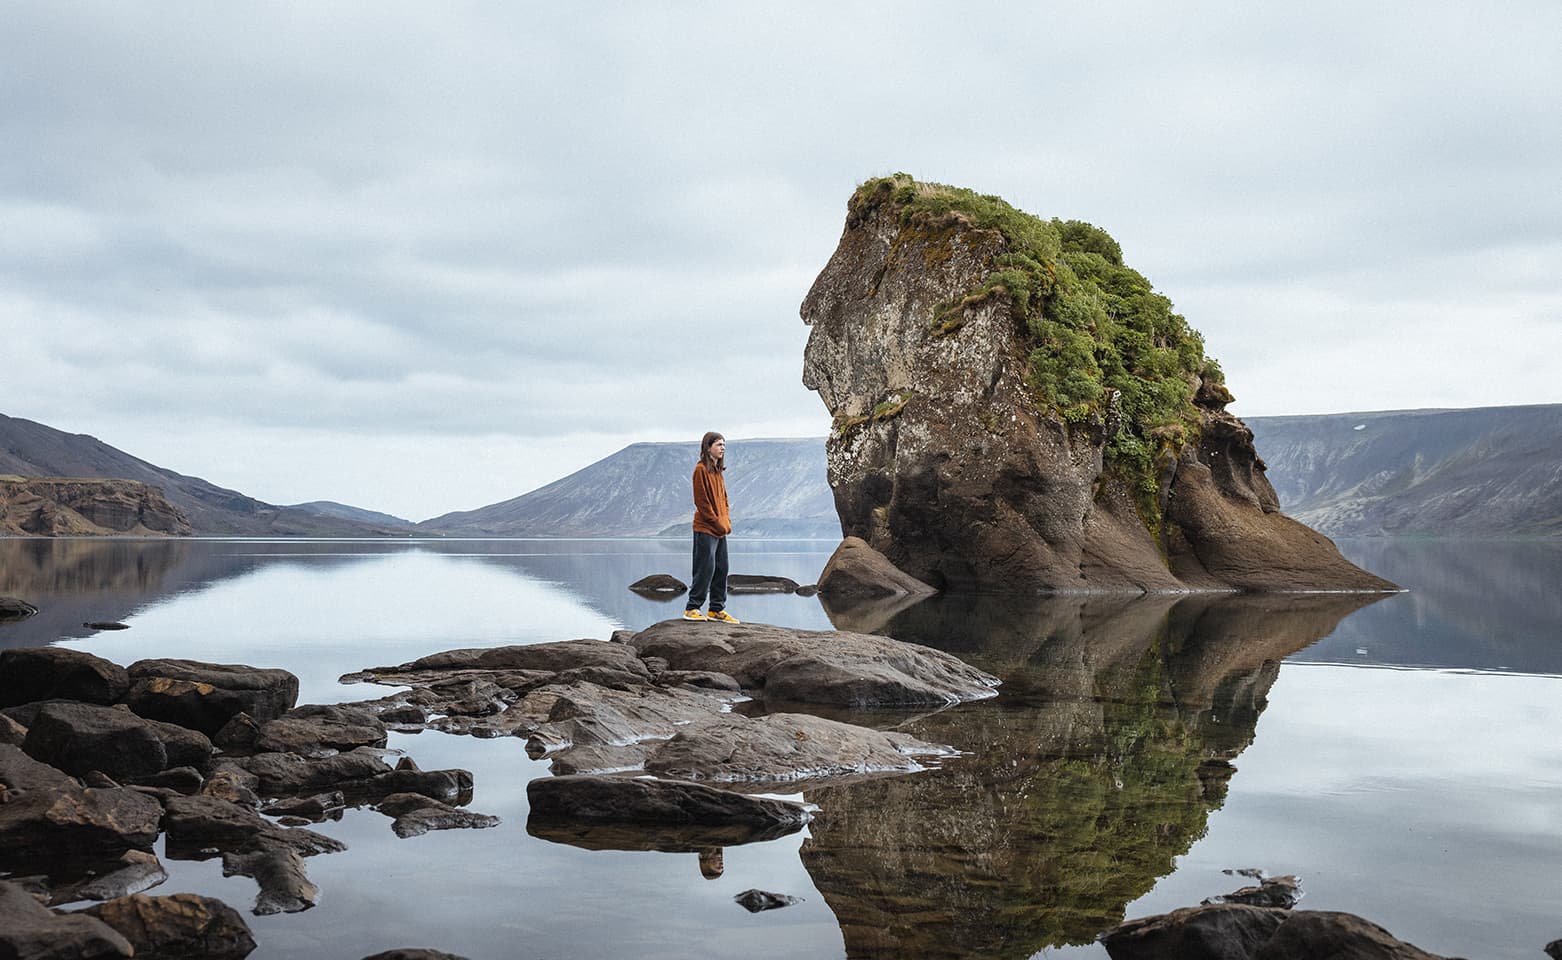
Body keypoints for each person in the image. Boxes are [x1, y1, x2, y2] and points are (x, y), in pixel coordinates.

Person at [684, 431, 740, 623]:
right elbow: (701, 502)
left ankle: (716, 609)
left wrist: (726, 522)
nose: (722, 448)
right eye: (718, 445)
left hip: (720, 529)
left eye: (724, 445)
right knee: (704, 568)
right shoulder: (700, 470)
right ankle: (692, 608)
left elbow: (724, 500)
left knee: (721, 568)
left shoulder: (718, 472)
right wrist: (716, 522)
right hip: (705, 528)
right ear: (708, 448)